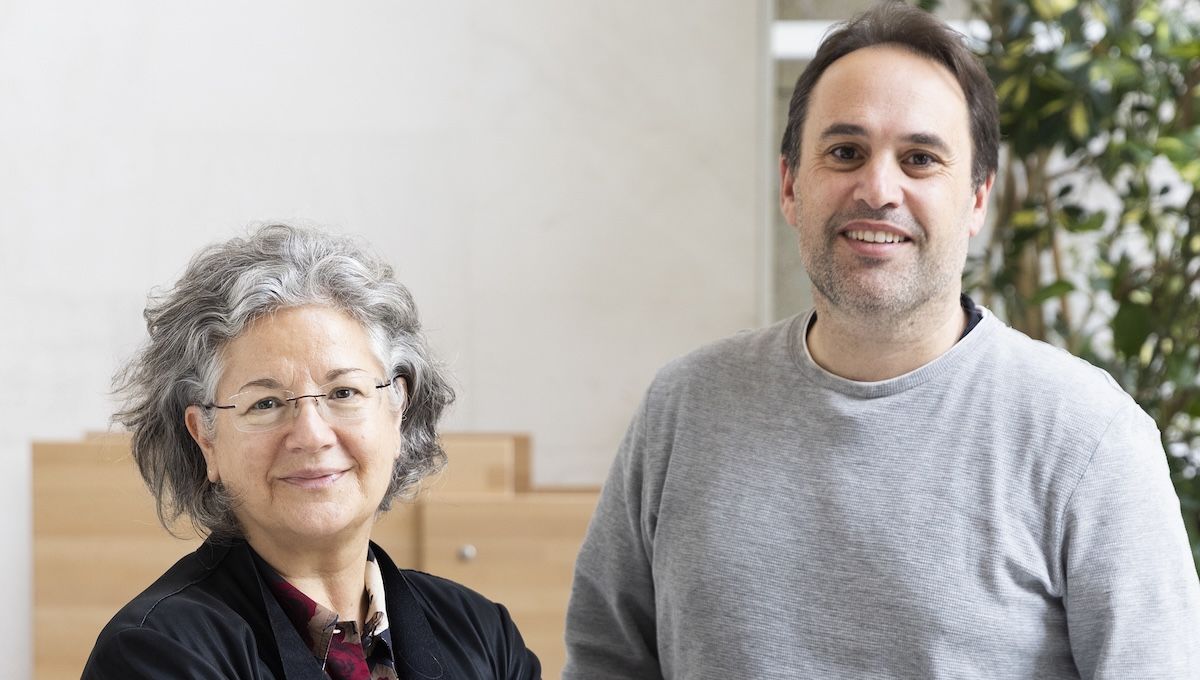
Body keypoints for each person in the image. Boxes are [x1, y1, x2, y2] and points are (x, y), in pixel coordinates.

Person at [563, 3, 1200, 679]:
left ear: (977, 198)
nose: (878, 188)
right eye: (845, 152)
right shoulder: (684, 409)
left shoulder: (1086, 436)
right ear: (790, 184)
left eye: (920, 159)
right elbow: (607, 663)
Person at [84, 225, 541, 679]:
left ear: (397, 412)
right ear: (206, 438)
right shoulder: (156, 652)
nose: (312, 435)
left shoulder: (484, 635)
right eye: (265, 403)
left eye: (343, 392)